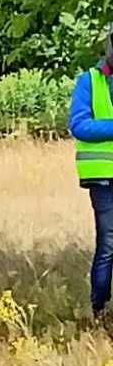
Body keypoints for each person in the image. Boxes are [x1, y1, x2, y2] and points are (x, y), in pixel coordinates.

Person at [70, 47, 113, 319]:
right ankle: (100, 310)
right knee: (109, 243)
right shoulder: (89, 81)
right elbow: (79, 125)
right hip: (103, 177)